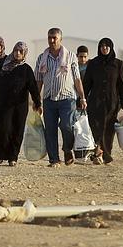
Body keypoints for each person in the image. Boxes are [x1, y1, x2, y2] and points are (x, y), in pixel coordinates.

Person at [35, 28, 87, 167]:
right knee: (50, 130)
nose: (52, 40)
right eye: (49, 37)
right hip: (48, 99)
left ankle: (67, 149)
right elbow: (39, 80)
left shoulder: (70, 57)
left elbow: (77, 79)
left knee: (66, 126)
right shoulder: (42, 58)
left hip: (67, 99)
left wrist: (82, 97)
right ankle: (54, 159)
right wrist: (36, 100)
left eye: (55, 38)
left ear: (60, 39)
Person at [0, 41, 40, 166]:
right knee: (4, 129)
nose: (18, 53)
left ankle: (13, 157)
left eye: (21, 51)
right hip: (4, 105)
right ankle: (0, 154)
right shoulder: (4, 67)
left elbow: (33, 87)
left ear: (24, 53)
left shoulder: (26, 69)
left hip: (20, 106)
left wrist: (37, 102)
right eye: (16, 51)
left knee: (18, 130)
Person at [83, 38, 123, 165]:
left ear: (111, 48)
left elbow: (122, 85)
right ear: (99, 48)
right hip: (95, 102)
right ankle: (99, 153)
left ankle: (105, 153)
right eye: (102, 46)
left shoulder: (118, 64)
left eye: (107, 46)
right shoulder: (93, 63)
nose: (104, 48)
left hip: (112, 102)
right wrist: (82, 99)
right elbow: (87, 83)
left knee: (108, 130)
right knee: (96, 127)